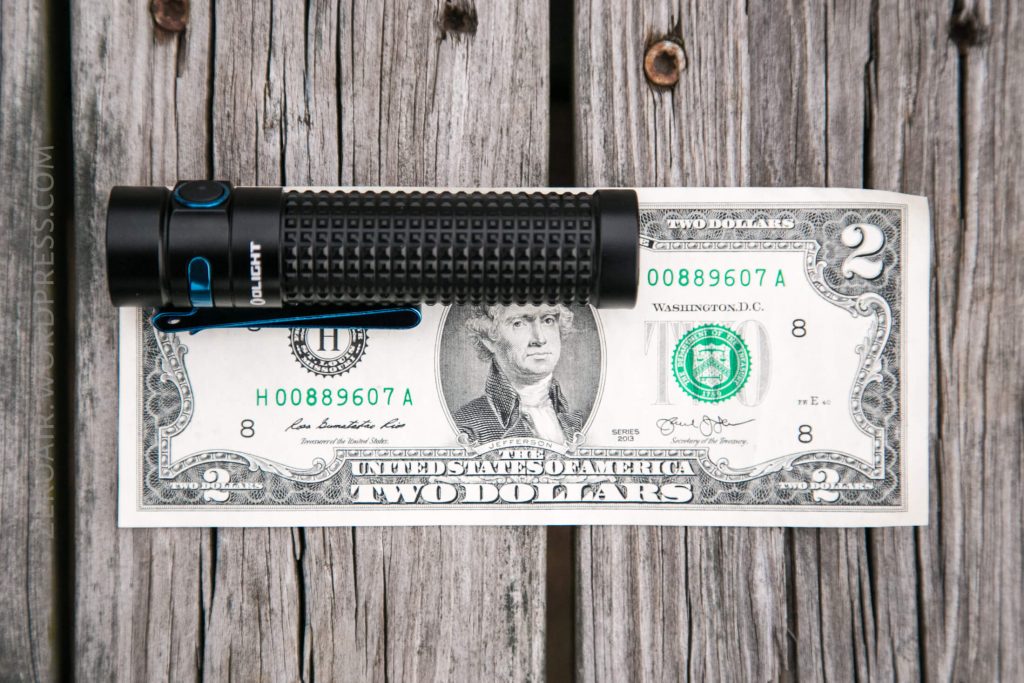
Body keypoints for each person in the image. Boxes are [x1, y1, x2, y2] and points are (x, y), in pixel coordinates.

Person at [453, 304, 584, 444]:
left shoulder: (577, 420)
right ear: (488, 340)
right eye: (519, 324)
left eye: (548, 320)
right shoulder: (466, 426)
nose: (540, 339)